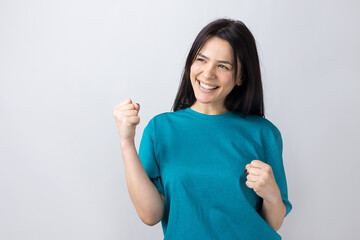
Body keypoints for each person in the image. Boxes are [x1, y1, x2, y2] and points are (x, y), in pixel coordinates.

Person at [114, 18, 292, 240]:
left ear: (240, 77)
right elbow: (150, 215)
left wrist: (272, 194)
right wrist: (126, 142)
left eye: (223, 66)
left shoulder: (264, 134)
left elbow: (271, 224)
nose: (208, 74)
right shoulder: (161, 129)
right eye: (201, 60)